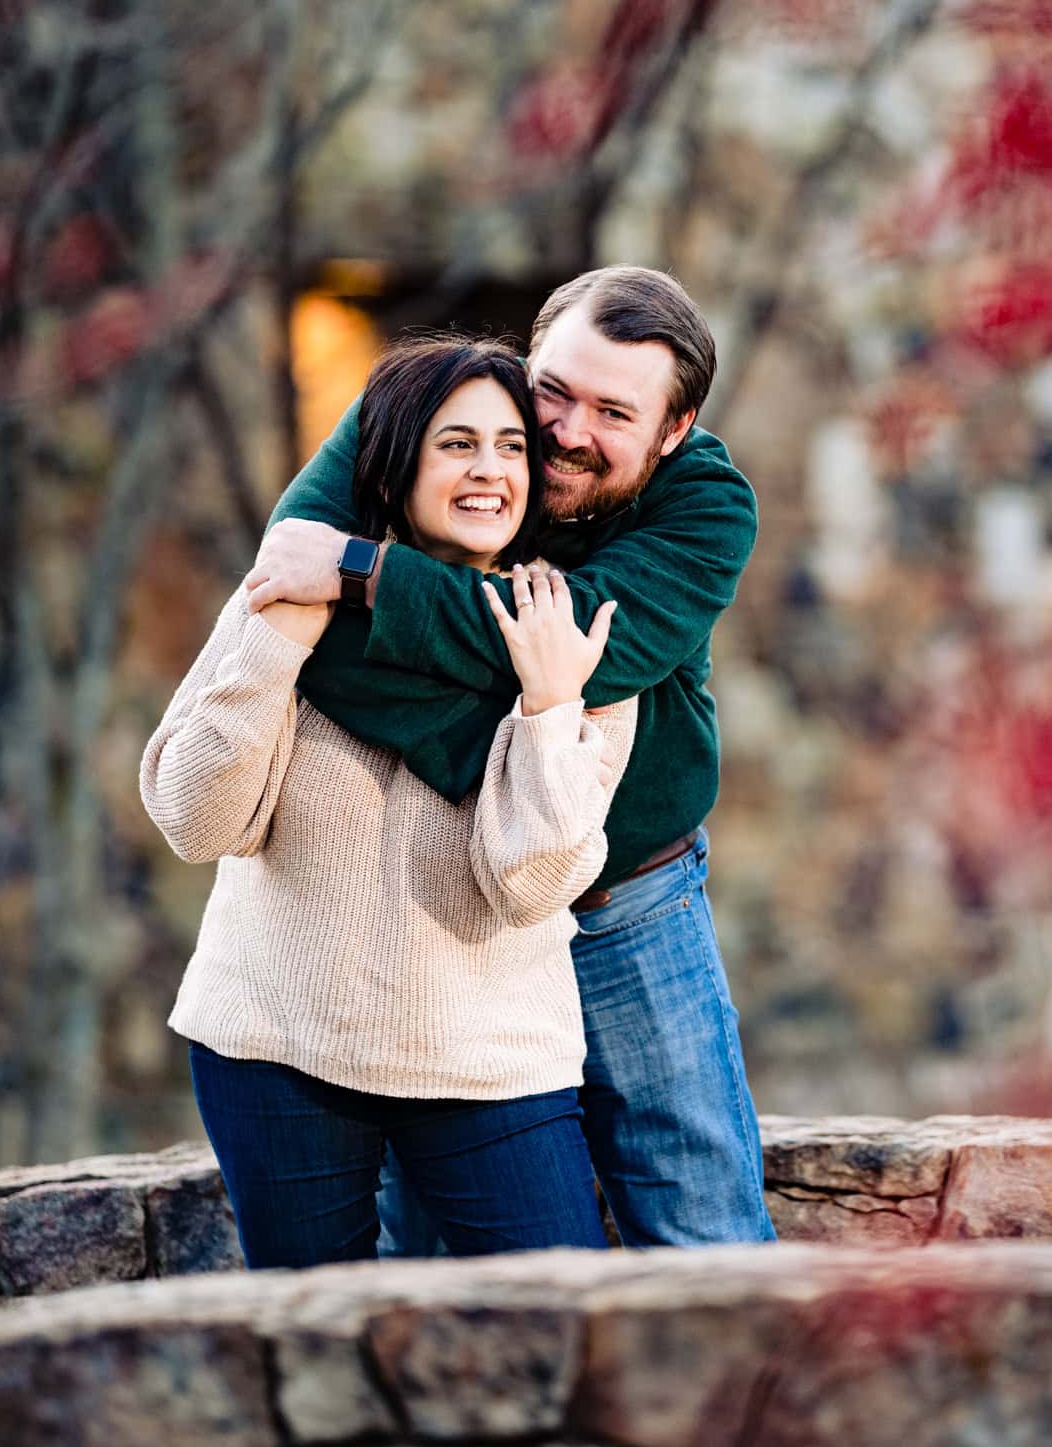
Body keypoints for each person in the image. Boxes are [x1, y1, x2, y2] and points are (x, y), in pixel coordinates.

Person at [242, 266, 776, 1249]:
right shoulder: (428, 419)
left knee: (701, 1228)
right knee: (441, 1256)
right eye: (556, 390)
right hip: (449, 916)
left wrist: (365, 578)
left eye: (615, 412)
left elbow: (582, 640)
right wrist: (516, 700)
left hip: (625, 906)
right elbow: (287, 575)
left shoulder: (707, 508)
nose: (567, 430)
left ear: (674, 429)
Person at [141, 336, 632, 1267]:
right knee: (312, 1355)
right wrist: (273, 642)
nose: (489, 470)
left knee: (556, 1333)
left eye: (511, 446)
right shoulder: (298, 584)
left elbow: (533, 884)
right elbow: (195, 818)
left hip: (490, 1061)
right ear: (399, 460)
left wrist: (548, 706)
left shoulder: (566, 628)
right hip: (277, 1046)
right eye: (456, 444)